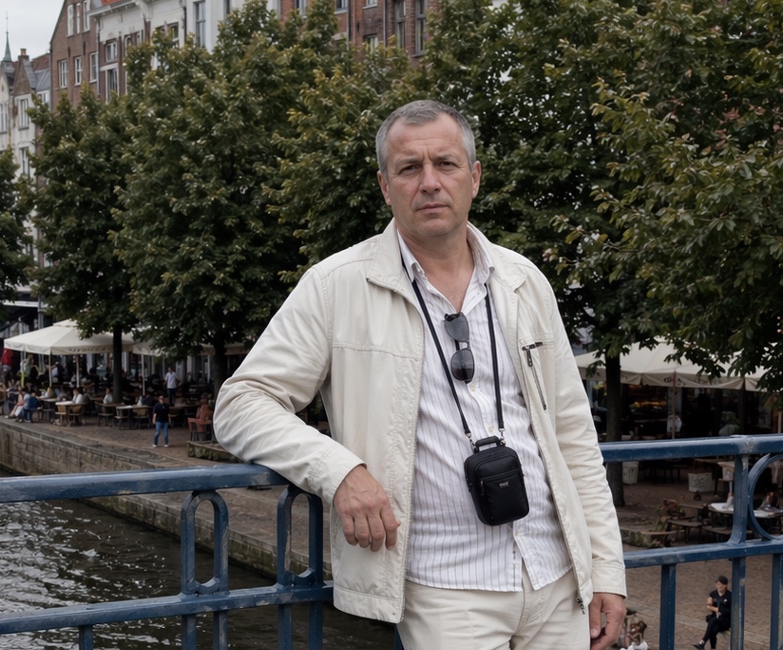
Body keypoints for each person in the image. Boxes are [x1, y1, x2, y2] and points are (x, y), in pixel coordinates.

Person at [214, 99, 626, 649]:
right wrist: (340, 471)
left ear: (474, 177)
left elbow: (574, 437)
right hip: (446, 590)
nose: (430, 182)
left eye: (446, 164)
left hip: (557, 577)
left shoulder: (524, 280)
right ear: (385, 186)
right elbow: (241, 404)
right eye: (409, 168)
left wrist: (606, 571)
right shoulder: (337, 285)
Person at [693, 575, 732, 649]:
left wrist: (715, 609)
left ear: (725, 585)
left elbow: (728, 611)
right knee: (713, 630)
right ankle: (711, 648)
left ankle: (703, 641)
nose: (718, 586)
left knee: (713, 620)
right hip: (716, 619)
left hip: (725, 621)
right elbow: (708, 605)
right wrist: (712, 605)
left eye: (720, 584)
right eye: (717, 584)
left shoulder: (729, 595)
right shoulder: (713, 594)